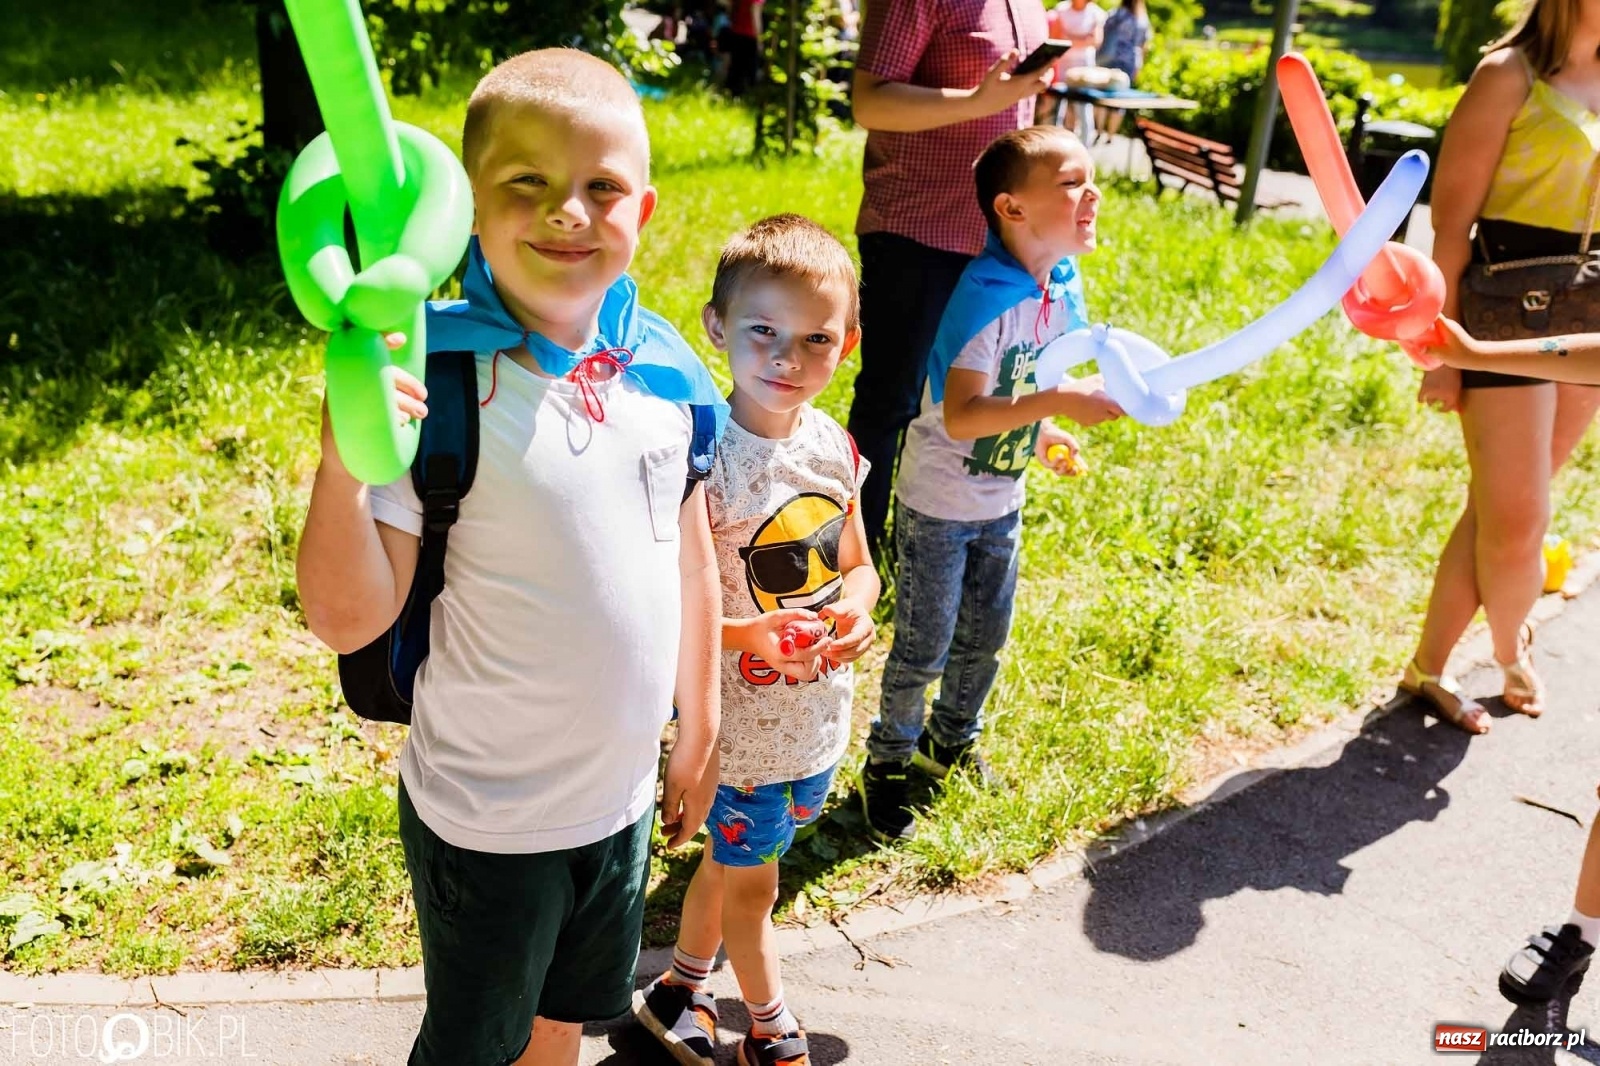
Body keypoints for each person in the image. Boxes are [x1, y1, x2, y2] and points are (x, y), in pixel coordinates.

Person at [296, 49, 726, 1066]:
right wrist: (339, 462)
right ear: (470, 214)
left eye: (600, 187)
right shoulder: (431, 377)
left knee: (562, 1020)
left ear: (646, 210)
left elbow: (689, 558)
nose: (567, 213)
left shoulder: (665, 375)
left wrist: (701, 721)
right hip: (486, 824)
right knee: (471, 1045)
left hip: (616, 806)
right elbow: (346, 618)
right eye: (524, 185)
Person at [632, 216, 879, 1066]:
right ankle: (770, 1026)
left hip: (812, 725)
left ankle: (678, 988)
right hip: (737, 740)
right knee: (755, 888)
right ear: (716, 328)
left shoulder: (833, 446)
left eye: (814, 339)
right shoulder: (702, 460)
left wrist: (858, 609)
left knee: (736, 866)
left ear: (845, 344)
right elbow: (675, 608)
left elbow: (857, 561)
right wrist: (751, 630)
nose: (787, 358)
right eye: (762, 333)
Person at [859, 125, 1124, 841]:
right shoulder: (984, 297)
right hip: (940, 504)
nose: (1092, 193)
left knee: (985, 638)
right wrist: (1058, 405)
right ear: (1012, 209)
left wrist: (1045, 433)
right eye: (1071, 183)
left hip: (1001, 499)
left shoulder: (1056, 288)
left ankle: (950, 745)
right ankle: (887, 762)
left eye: (1091, 178)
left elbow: (1030, 385)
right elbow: (967, 413)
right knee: (924, 644)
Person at [1400, 0, 1600, 737]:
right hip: (1502, 309)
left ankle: (1430, 665)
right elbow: (1450, 225)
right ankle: (1510, 643)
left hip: (1589, 315)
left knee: (1501, 505)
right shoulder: (1507, 75)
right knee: (1520, 519)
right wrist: (1437, 350)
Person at [847, 0, 1053, 563]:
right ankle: (859, 557)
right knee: (893, 400)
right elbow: (869, 101)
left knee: (963, 400)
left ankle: (934, 547)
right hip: (919, 229)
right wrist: (980, 102)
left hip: (997, 243)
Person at [1049, 0, 1109, 139]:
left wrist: (1069, 38)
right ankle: (1054, 139)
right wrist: (1081, 39)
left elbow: (1095, 40)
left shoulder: (1095, 13)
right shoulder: (1062, 9)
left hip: (1083, 68)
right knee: (1058, 105)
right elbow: (1055, 36)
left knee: (1083, 106)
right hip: (1063, 64)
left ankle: (1085, 144)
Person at [1096, 0, 1153, 138]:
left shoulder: (1115, 14)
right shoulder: (1142, 18)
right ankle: (1110, 135)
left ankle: (1098, 130)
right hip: (1129, 62)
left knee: (1101, 97)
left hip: (1108, 58)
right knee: (1120, 100)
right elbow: (1143, 44)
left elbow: (1102, 35)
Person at [726, 0, 764, 97]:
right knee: (750, 68)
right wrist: (759, 38)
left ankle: (732, 94)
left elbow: (730, 6)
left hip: (736, 32)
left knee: (736, 66)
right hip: (750, 35)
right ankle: (748, 97)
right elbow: (755, 13)